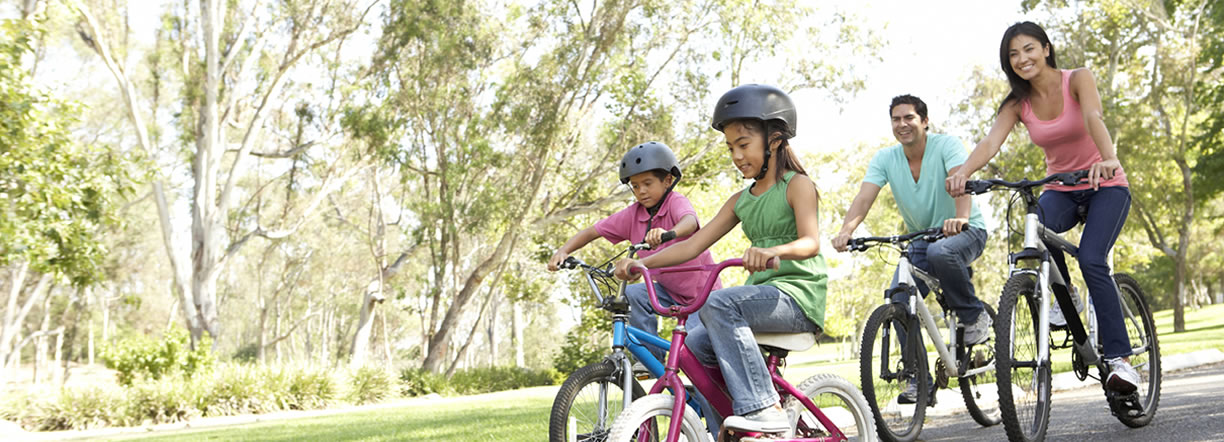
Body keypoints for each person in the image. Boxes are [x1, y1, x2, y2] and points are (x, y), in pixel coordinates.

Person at [614, 84, 826, 434]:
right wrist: (643, 263)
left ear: (774, 140)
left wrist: (773, 251)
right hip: (759, 299)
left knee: (716, 304)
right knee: (692, 349)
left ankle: (763, 407)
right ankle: (725, 433)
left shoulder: (796, 185)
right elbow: (692, 245)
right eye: (731, 148)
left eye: (744, 144)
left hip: (797, 297)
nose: (737, 155)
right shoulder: (741, 199)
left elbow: (811, 242)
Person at [945, 21, 1139, 394]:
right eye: (1013, 54)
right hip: (1061, 188)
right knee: (1037, 222)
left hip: (1105, 184)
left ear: (1046, 49)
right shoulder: (1018, 103)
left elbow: (1093, 117)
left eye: (1029, 49)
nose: (1022, 59)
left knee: (1093, 259)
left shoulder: (1077, 79)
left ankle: (1120, 360)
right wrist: (964, 172)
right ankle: (1067, 297)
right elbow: (990, 142)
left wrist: (1110, 158)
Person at [832, 94, 991, 405]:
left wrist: (960, 218)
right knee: (899, 299)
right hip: (921, 237)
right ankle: (919, 380)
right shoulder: (885, 159)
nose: (902, 124)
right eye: (896, 119)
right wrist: (846, 231)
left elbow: (961, 180)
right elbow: (864, 198)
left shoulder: (946, 145)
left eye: (909, 118)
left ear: (924, 121)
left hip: (966, 230)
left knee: (941, 253)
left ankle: (974, 317)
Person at [548, 141, 722, 366]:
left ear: (668, 180)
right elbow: (593, 231)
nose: (641, 191)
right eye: (635, 186)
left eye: (647, 183)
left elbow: (689, 222)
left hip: (703, 296)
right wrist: (563, 250)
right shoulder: (633, 215)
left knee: (694, 355)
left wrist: (670, 233)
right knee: (632, 295)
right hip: (668, 291)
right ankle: (650, 360)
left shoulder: (675, 202)